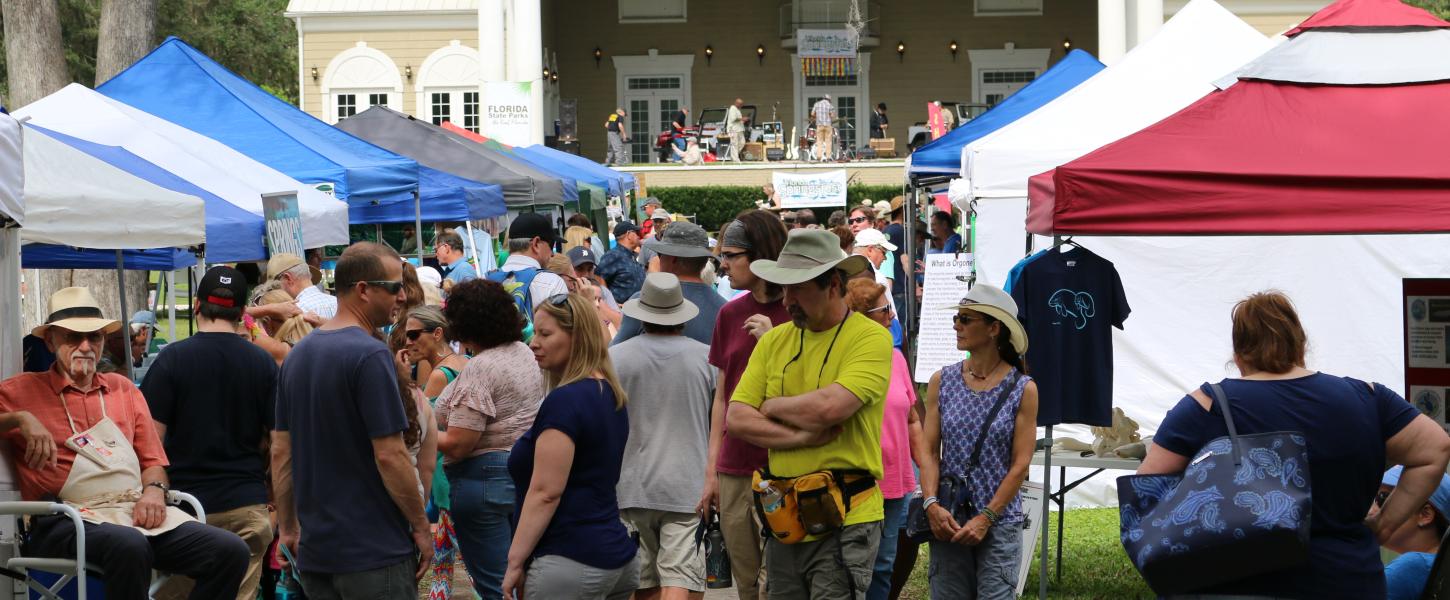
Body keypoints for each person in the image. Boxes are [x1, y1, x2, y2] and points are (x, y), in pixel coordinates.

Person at [1138, 291, 1450, 598]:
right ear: (1301, 346)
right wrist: (1385, 525)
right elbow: (1436, 449)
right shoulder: (1367, 397)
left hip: (1233, 583)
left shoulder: (1204, 406)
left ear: (1238, 357)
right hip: (1346, 580)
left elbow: (1145, 492)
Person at [0, 286, 249, 600]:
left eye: (95, 337)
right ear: (50, 341)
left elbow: (152, 462)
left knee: (230, 550)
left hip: (129, 511)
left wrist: (155, 493)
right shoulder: (23, 391)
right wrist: (19, 419)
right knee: (129, 544)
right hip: (64, 519)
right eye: (73, 337)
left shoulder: (123, 389)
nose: (86, 346)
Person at [726, 228, 892, 598]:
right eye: (784, 289)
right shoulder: (774, 341)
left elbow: (833, 407)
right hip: (785, 518)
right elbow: (736, 418)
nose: (787, 301)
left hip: (845, 519)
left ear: (833, 284)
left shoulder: (871, 338)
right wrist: (800, 437)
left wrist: (770, 407)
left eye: (797, 288)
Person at [272, 242, 433, 599]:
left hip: (318, 553)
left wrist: (288, 527)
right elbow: (390, 455)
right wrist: (421, 527)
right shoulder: (370, 354)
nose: (403, 296)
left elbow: (281, 452)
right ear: (363, 289)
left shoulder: (298, 356)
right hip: (373, 552)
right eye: (394, 287)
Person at [143, 267, 278, 600]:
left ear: (196, 305)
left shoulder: (171, 360)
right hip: (247, 505)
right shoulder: (263, 364)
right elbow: (281, 445)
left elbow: (148, 441)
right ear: (242, 313)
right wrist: (277, 503)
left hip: (184, 511)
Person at [504, 293, 639, 599]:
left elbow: (546, 492)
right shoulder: (609, 392)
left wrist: (515, 560)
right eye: (534, 332)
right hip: (615, 555)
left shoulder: (566, 400)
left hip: (570, 559)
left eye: (545, 334)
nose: (533, 343)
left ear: (577, 338)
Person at [917, 284, 1037, 600]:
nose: (956, 325)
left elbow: (1021, 464)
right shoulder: (941, 380)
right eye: (957, 317)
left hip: (999, 522)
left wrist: (987, 517)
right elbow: (929, 451)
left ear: (994, 328)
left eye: (966, 319)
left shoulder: (1022, 388)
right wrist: (931, 504)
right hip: (949, 516)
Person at [431, 279, 545, 599]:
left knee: (498, 588)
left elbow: (459, 443)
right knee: (520, 581)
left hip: (483, 481)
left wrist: (423, 432)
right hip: (522, 472)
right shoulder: (522, 351)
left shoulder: (481, 368)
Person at [698, 211, 790, 599]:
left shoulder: (799, 313)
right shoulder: (729, 312)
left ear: (761, 255)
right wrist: (711, 470)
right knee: (747, 580)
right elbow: (722, 395)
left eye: (732, 255)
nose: (723, 264)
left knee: (782, 579)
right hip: (735, 466)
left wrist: (775, 340)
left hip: (787, 464)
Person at [612, 273, 715, 599]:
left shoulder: (614, 358)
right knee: (680, 582)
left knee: (642, 584)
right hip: (687, 487)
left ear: (641, 314)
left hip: (629, 484)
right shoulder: (707, 359)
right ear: (680, 316)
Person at [843, 278, 924, 600]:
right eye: (884, 310)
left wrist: (928, 467)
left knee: (883, 564)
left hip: (894, 480)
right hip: (855, 480)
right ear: (863, 318)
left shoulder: (897, 358)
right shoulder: (844, 358)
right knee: (849, 566)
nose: (892, 316)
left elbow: (912, 418)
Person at [398, 305, 467, 598]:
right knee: (443, 556)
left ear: (437, 333)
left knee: (462, 556)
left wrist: (403, 380)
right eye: (405, 336)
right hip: (454, 471)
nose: (408, 342)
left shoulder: (440, 374)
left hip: (442, 474)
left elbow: (417, 428)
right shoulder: (463, 361)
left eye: (414, 335)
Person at [613, 222, 727, 346]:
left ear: (673, 258)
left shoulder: (643, 302)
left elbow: (615, 354)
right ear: (705, 261)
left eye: (660, 254)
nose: (658, 259)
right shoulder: (724, 309)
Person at [1375, 466, 1450, 600]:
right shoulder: (1434, 566)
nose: (1371, 511)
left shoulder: (1415, 565)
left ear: (1425, 514)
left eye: (1382, 499)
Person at [489, 212, 572, 332]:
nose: (553, 254)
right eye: (551, 244)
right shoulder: (552, 282)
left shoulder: (485, 281)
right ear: (536, 244)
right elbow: (561, 334)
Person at [266, 252, 336, 319]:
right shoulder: (338, 303)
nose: (276, 292)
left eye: (275, 286)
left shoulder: (293, 312)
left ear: (288, 278)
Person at [597, 220, 647, 303]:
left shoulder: (631, 255)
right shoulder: (613, 255)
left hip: (637, 309)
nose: (639, 236)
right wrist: (611, 304)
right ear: (628, 235)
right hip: (622, 312)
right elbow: (598, 277)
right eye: (636, 233)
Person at [812, 94, 836, 161]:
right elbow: (832, 115)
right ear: (828, 99)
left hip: (819, 125)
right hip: (828, 125)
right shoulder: (830, 105)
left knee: (819, 141)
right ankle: (828, 157)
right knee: (828, 141)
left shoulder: (817, 104)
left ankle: (819, 156)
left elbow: (812, 114)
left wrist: (817, 116)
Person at [726, 97, 748, 162]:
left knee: (742, 143)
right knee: (734, 144)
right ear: (737, 103)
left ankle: (733, 155)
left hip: (739, 129)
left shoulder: (737, 110)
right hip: (733, 130)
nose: (741, 105)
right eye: (741, 104)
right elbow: (733, 119)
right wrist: (742, 119)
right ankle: (735, 159)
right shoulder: (732, 108)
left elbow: (738, 120)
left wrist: (743, 121)